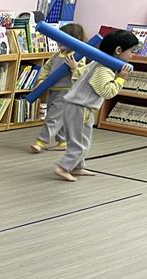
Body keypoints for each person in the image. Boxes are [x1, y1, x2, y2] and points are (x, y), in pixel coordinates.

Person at [54, 29, 137, 182]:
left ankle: (77, 166)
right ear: (118, 50)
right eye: (131, 51)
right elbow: (107, 92)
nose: (132, 56)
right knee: (80, 141)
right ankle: (63, 167)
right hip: (80, 108)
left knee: (80, 139)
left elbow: (81, 75)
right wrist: (121, 78)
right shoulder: (104, 69)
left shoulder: (97, 62)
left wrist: (75, 68)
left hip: (77, 106)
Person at [29, 22, 84, 153]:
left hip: (66, 92)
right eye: (58, 38)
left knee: (52, 118)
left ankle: (41, 142)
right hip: (53, 90)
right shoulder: (56, 55)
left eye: (62, 39)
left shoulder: (77, 56)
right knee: (60, 117)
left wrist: (74, 67)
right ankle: (63, 142)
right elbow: (46, 68)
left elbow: (82, 75)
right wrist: (41, 80)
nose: (59, 42)